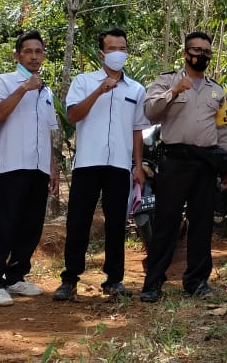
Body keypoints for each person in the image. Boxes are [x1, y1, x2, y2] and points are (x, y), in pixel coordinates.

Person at [53, 28, 149, 301]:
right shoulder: (84, 82)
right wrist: (98, 91)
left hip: (119, 164)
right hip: (87, 162)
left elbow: (137, 130)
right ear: (101, 53)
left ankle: (114, 279)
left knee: (117, 222)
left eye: (122, 48)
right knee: (78, 221)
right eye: (112, 49)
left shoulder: (136, 89)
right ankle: (70, 279)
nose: (118, 53)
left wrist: (138, 165)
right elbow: (72, 116)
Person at [140, 31, 227, 302]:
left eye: (206, 51)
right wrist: (174, 91)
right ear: (184, 53)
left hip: (205, 163)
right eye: (196, 50)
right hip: (175, 161)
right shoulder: (166, 80)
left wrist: (225, 166)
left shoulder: (217, 90)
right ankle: (153, 282)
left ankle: (196, 281)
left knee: (202, 224)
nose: (201, 55)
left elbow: (224, 130)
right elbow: (150, 112)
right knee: (166, 223)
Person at [0, 31, 61, 307]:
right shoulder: (4, 81)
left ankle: (16, 276)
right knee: (6, 223)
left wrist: (53, 166)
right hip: (13, 164)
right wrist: (23, 89)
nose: (33, 56)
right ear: (17, 55)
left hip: (39, 167)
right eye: (27, 51)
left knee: (31, 224)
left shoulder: (46, 90)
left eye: (38, 52)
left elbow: (48, 131)